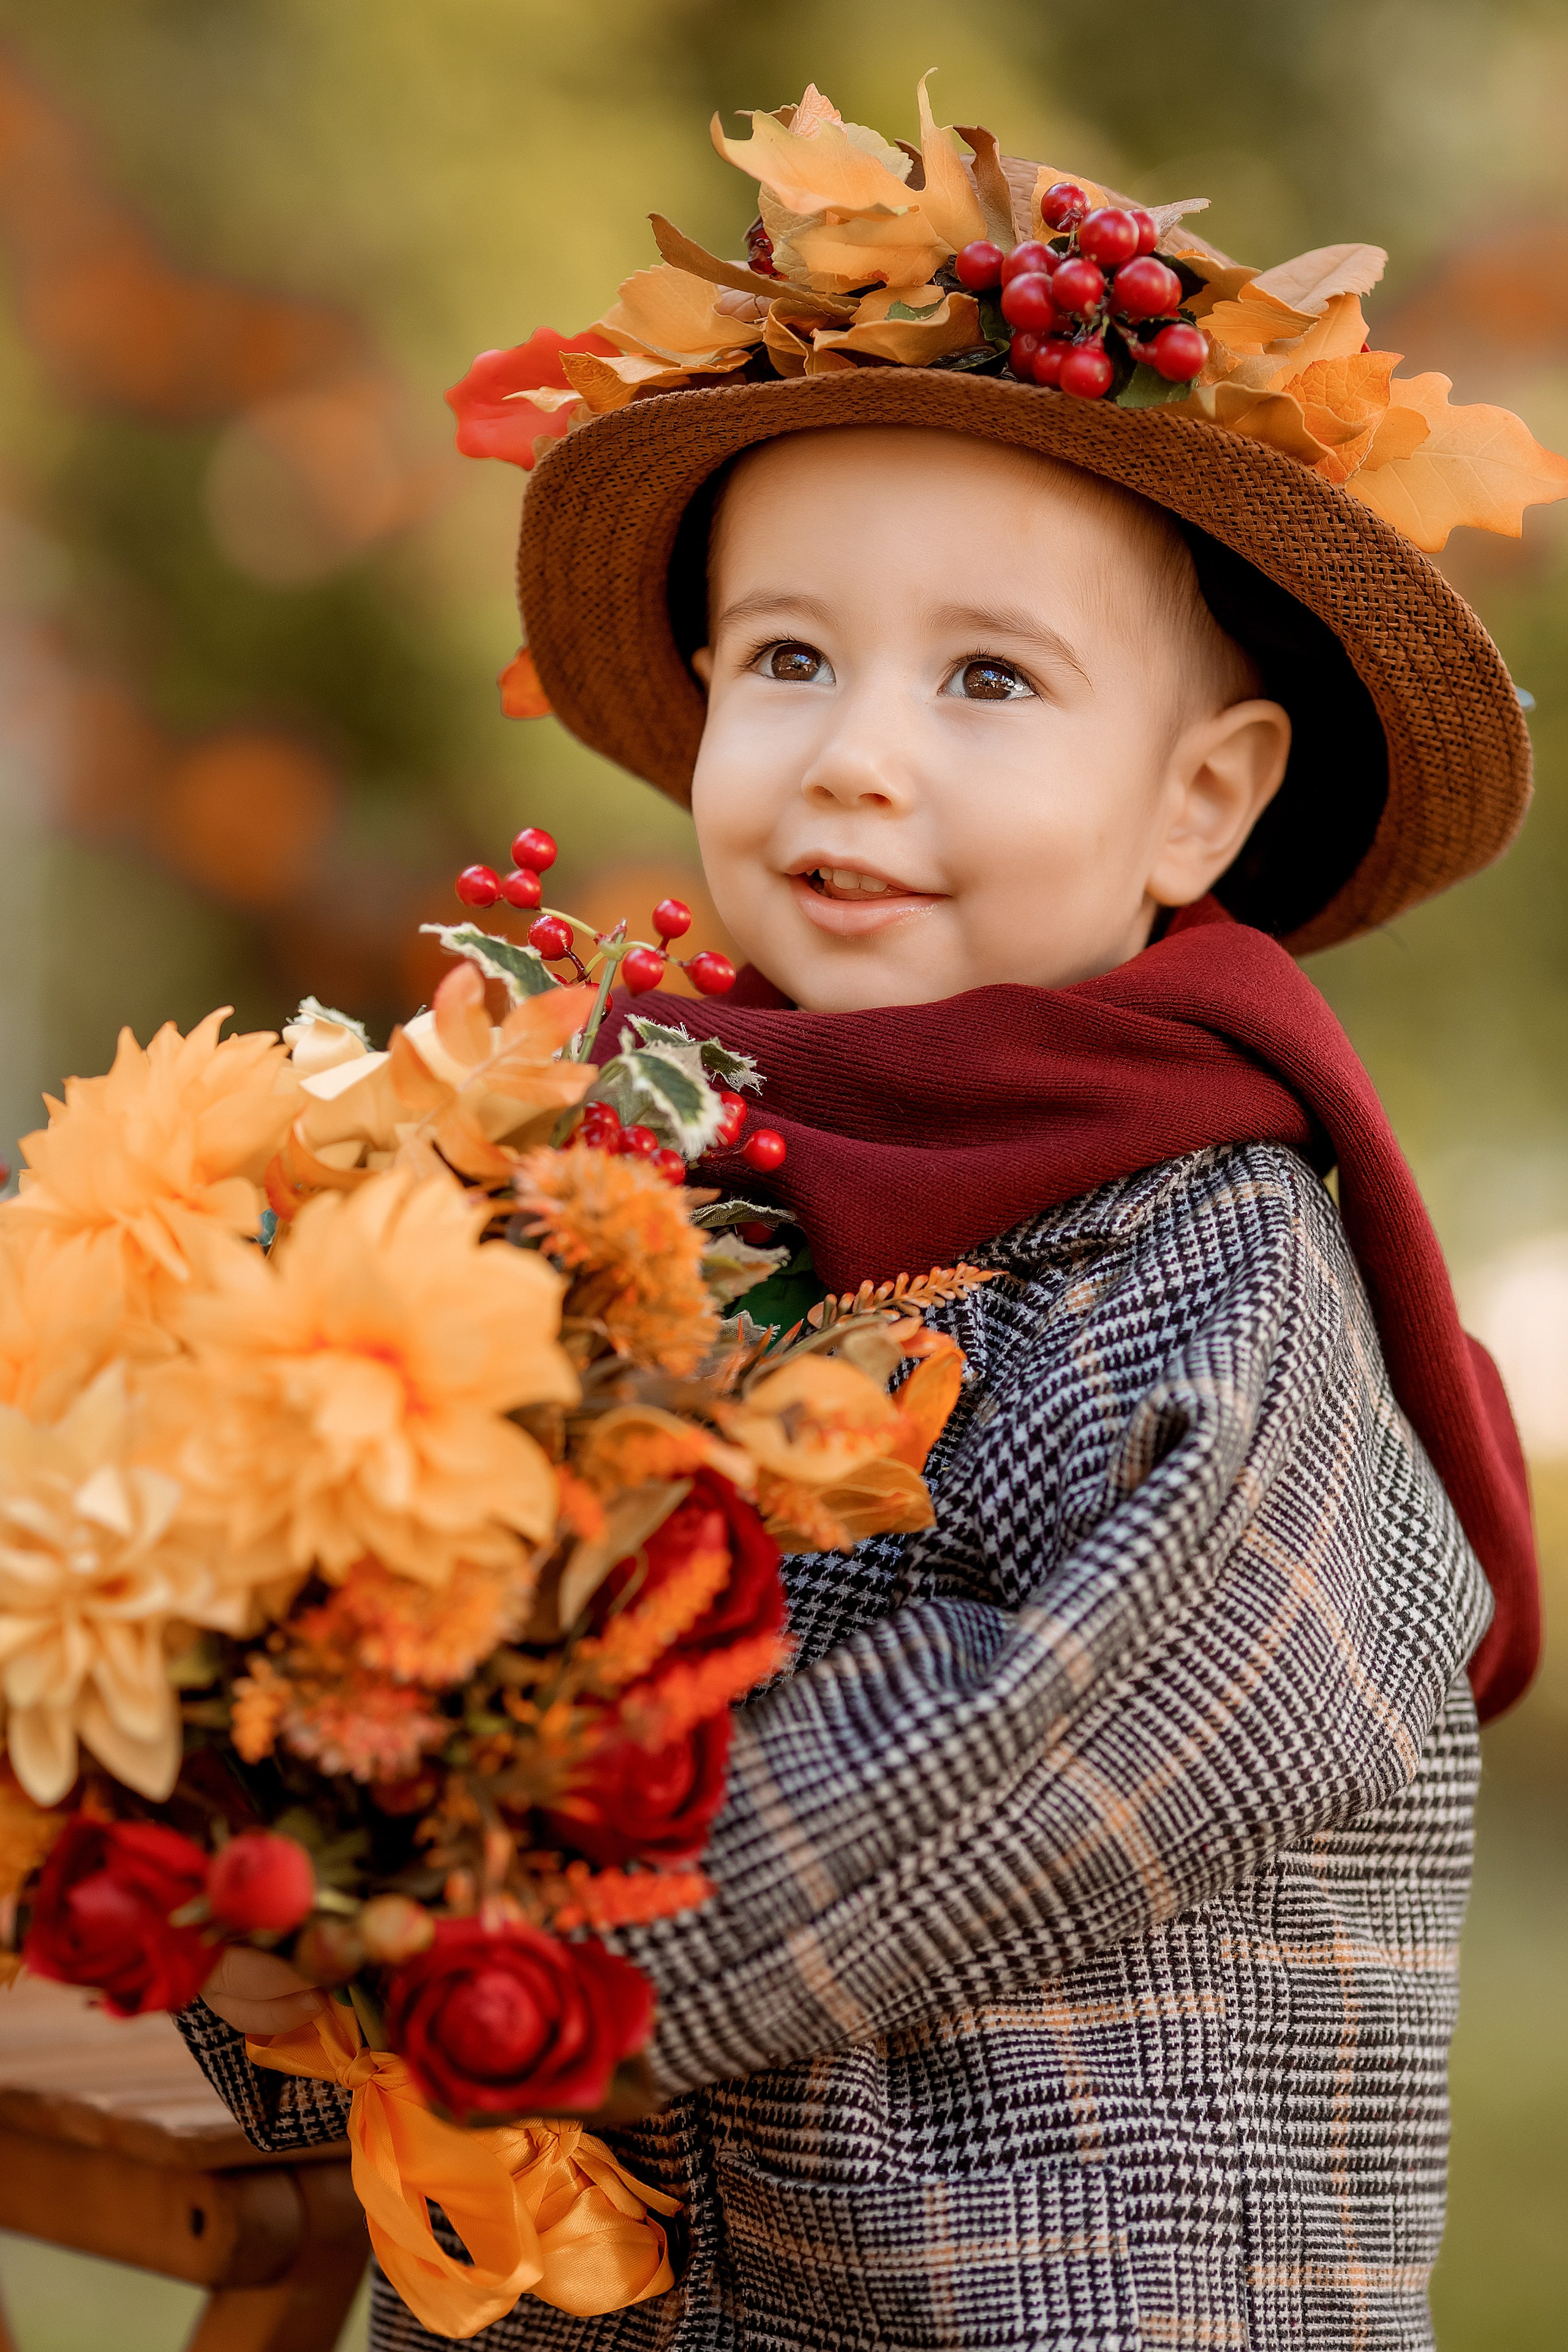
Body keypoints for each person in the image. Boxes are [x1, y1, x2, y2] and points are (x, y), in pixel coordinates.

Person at [183, 85, 1568, 2352]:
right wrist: (221, 1721)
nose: (852, 753)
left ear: (1201, 800)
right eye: (791, 658)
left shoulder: (1221, 1300)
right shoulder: (628, 1192)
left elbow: (921, 1801)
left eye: (989, 680)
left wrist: (328, 1903)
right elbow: (407, 1649)